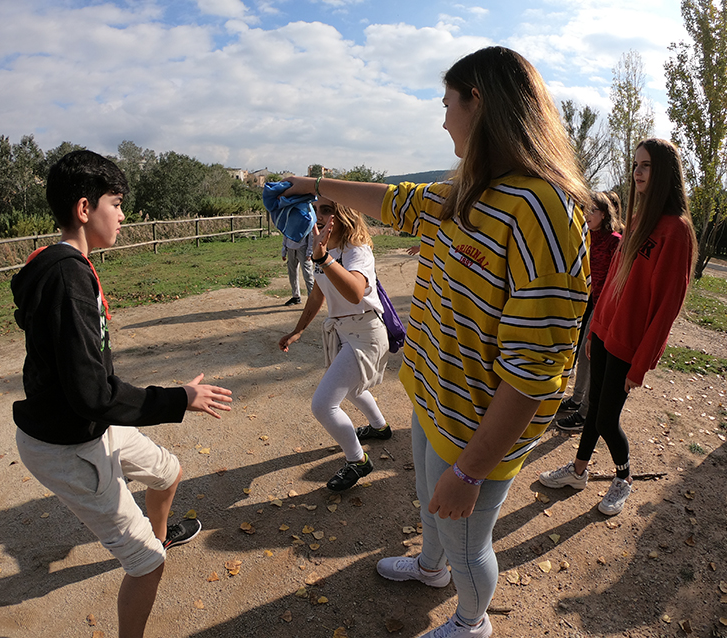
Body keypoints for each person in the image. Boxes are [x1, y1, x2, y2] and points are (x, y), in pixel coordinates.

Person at [285, 46, 590, 638]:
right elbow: (394, 201)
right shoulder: (468, 189)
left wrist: (472, 471)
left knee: (466, 538)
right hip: (434, 395)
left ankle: (472, 622)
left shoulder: (544, 208)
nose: (443, 119)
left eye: (447, 103)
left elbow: (537, 368)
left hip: (477, 422)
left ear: (479, 102)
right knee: (430, 499)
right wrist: (313, 184)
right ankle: (430, 569)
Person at [11, 150, 233, 638]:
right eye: (116, 203)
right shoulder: (67, 277)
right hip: (67, 444)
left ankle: (157, 537)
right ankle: (150, 557)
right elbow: (93, 395)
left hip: (91, 423)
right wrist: (180, 398)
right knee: (147, 565)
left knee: (168, 473)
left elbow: (87, 383)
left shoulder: (56, 263)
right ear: (85, 209)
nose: (123, 215)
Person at [540, 138, 697, 516]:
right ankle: (578, 471)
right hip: (604, 334)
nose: (637, 173)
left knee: (607, 419)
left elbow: (667, 307)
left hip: (629, 344)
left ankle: (624, 478)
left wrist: (641, 365)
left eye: (646, 166)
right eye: (635, 165)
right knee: (595, 409)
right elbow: (612, 280)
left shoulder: (677, 230)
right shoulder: (639, 220)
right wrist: (595, 327)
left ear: (664, 172)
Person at [278, 196, 391, 492]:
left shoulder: (357, 250)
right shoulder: (325, 249)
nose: (318, 216)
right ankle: (380, 428)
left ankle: (358, 461)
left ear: (344, 215)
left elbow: (355, 293)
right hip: (344, 332)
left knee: (323, 405)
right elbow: (318, 294)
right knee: (350, 388)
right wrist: (298, 330)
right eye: (316, 210)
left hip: (366, 333)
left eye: (327, 210)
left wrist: (323, 259)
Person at [557, 191, 623, 432]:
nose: (587, 214)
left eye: (592, 210)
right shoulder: (586, 235)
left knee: (590, 354)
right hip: (585, 300)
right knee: (580, 352)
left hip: (603, 305)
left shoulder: (615, 241)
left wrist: (602, 310)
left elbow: (617, 279)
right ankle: (576, 399)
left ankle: (585, 412)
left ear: (604, 214)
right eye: (586, 209)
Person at [281, 230, 315, 305]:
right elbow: (286, 232)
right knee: (292, 274)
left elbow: (311, 234)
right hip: (290, 248)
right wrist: (284, 250)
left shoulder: (306, 221)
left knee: (308, 274)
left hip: (303, 248)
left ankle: (312, 298)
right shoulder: (289, 222)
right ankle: (296, 297)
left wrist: (309, 251)